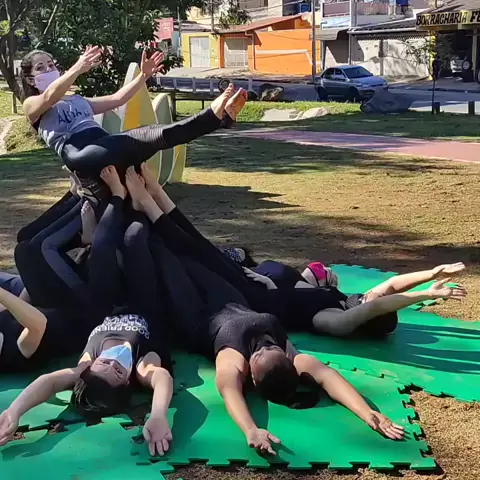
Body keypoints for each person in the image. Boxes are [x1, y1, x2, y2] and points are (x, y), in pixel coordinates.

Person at [121, 164, 405, 455]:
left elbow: (229, 391)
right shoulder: (291, 357)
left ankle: (129, 207)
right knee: (198, 250)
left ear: (252, 377)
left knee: (165, 255)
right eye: (272, 347)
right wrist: (368, 413)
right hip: (229, 298)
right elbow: (329, 378)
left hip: (193, 313)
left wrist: (250, 429)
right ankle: (149, 198)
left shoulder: (233, 361)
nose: (265, 345)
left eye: (259, 352)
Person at [0, 167, 173, 457]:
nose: (112, 361)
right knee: (133, 237)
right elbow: (162, 379)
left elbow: (48, 382)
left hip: (102, 304)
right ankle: (136, 200)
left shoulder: (85, 367)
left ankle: (115, 196)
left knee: (102, 245)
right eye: (118, 371)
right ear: (127, 380)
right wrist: (158, 415)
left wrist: (13, 411)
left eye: (104, 364)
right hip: (145, 302)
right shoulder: (143, 367)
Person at [20, 46, 247, 201]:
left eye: (51, 65)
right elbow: (49, 96)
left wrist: (143, 76)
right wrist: (78, 68)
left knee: (157, 137)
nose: (49, 70)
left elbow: (118, 99)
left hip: (104, 145)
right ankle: (213, 116)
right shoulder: (32, 105)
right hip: (82, 152)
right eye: (41, 68)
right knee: (149, 135)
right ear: (30, 80)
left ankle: (221, 119)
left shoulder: (78, 100)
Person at [246, 261, 467, 337]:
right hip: (286, 282)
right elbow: (392, 284)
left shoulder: (334, 321)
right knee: (313, 270)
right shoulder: (349, 302)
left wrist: (427, 294)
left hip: (263, 289)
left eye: (371, 299)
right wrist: (432, 274)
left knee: (264, 267)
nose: (374, 293)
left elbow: (379, 305)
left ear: (367, 313)